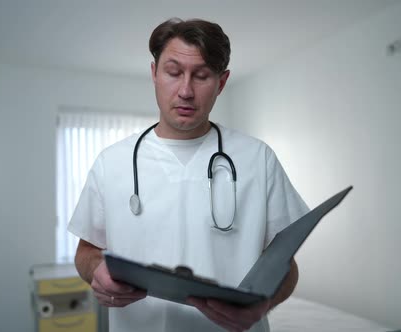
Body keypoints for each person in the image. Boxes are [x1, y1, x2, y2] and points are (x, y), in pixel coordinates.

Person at [68, 18, 308, 332]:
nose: (185, 91)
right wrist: (96, 270)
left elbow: (286, 266)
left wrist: (265, 303)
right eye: (173, 72)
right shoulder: (111, 162)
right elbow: (86, 251)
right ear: (154, 73)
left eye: (202, 75)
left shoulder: (257, 159)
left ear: (222, 83)